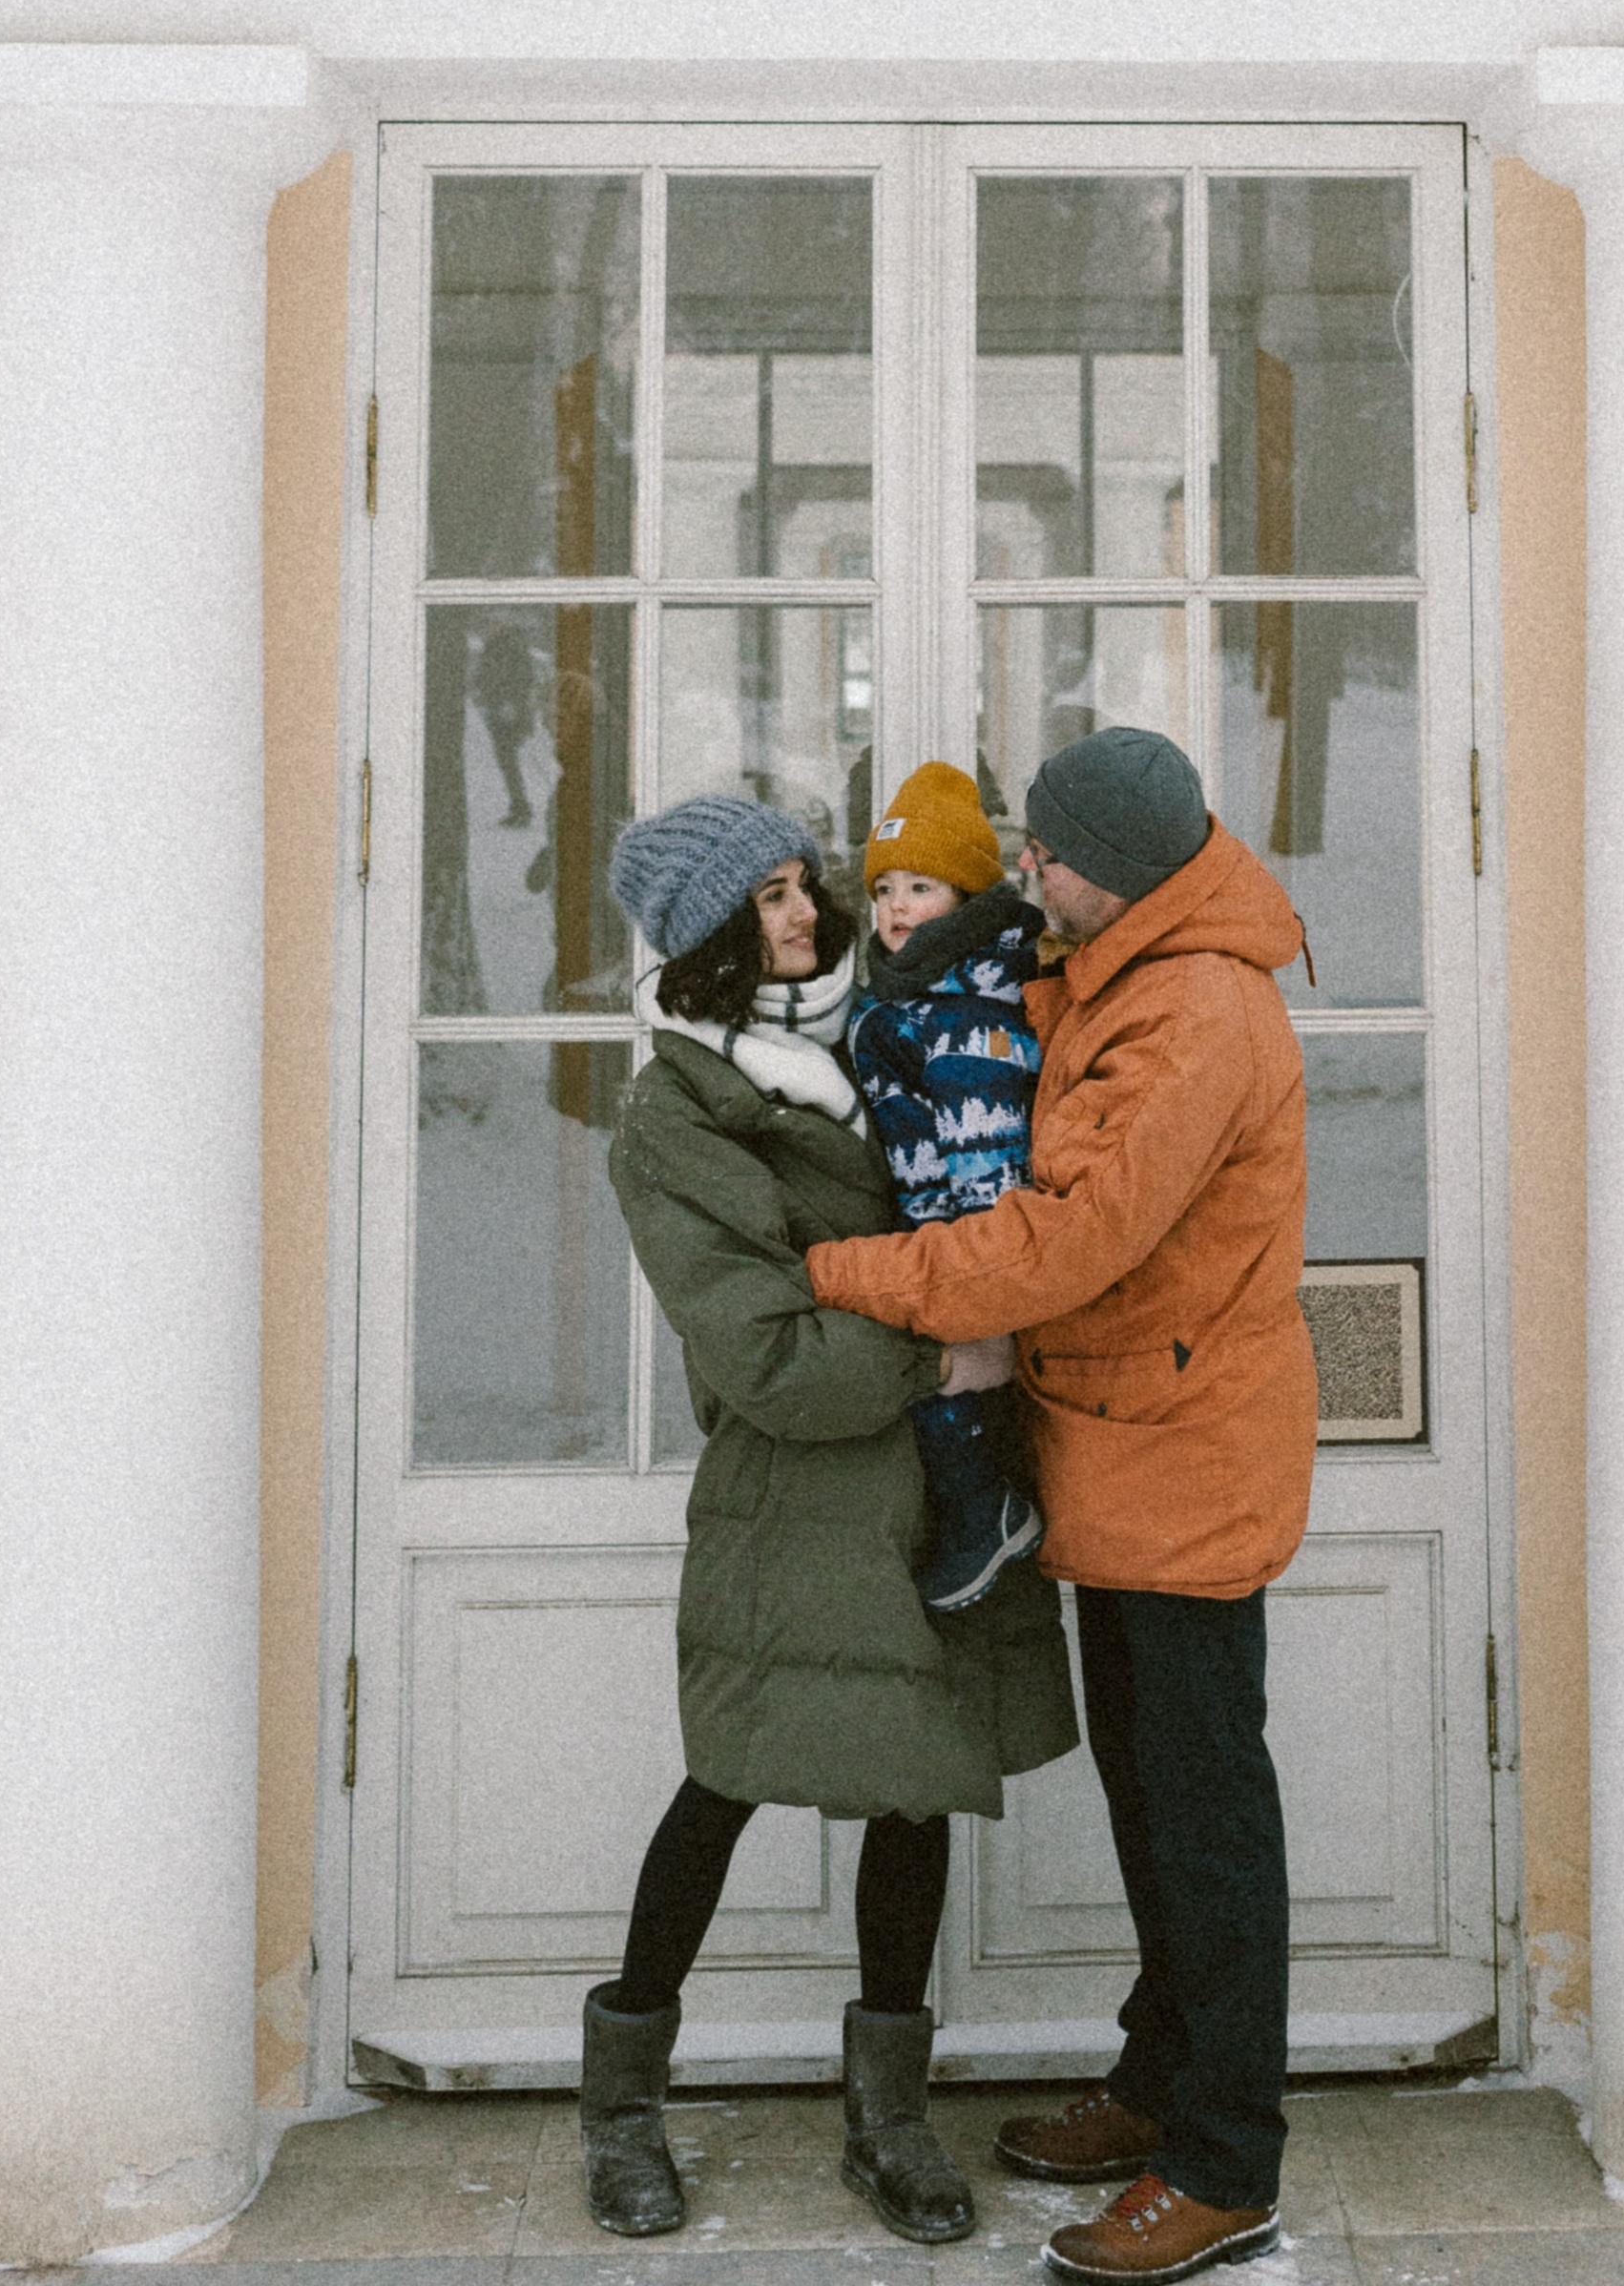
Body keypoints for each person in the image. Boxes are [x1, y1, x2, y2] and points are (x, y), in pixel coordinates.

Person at [806, 729, 1315, 2286]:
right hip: (1122, 1449)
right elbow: (992, 1004)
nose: (1030, 873)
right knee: (1155, 1807)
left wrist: (838, 1273)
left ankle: (1224, 2163)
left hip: (1184, 1462)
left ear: (1129, 868)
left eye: (1051, 854)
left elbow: (1054, 1246)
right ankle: (1160, 2085)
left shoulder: (1196, 1015)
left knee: (1204, 1825)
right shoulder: (1115, 963)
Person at [584, 792, 1078, 2251]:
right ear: (706, 938)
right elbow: (763, 1354)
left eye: (807, 888)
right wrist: (944, 1349)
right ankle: (621, 2109)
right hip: (794, 1504)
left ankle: (890, 2120)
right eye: (772, 899)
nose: (805, 916)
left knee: (915, 1791)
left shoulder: (884, 1038)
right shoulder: (676, 1112)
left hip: (927, 1493)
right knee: (723, 1786)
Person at [849, 759, 1048, 1612]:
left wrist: (974, 1285)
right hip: (920, 1222)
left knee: (950, 1390)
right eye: (884, 887)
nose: (895, 907)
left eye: (920, 886)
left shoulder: (969, 1015)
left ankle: (989, 1510)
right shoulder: (910, 993)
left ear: (966, 899)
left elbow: (989, 1155)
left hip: (959, 1239)